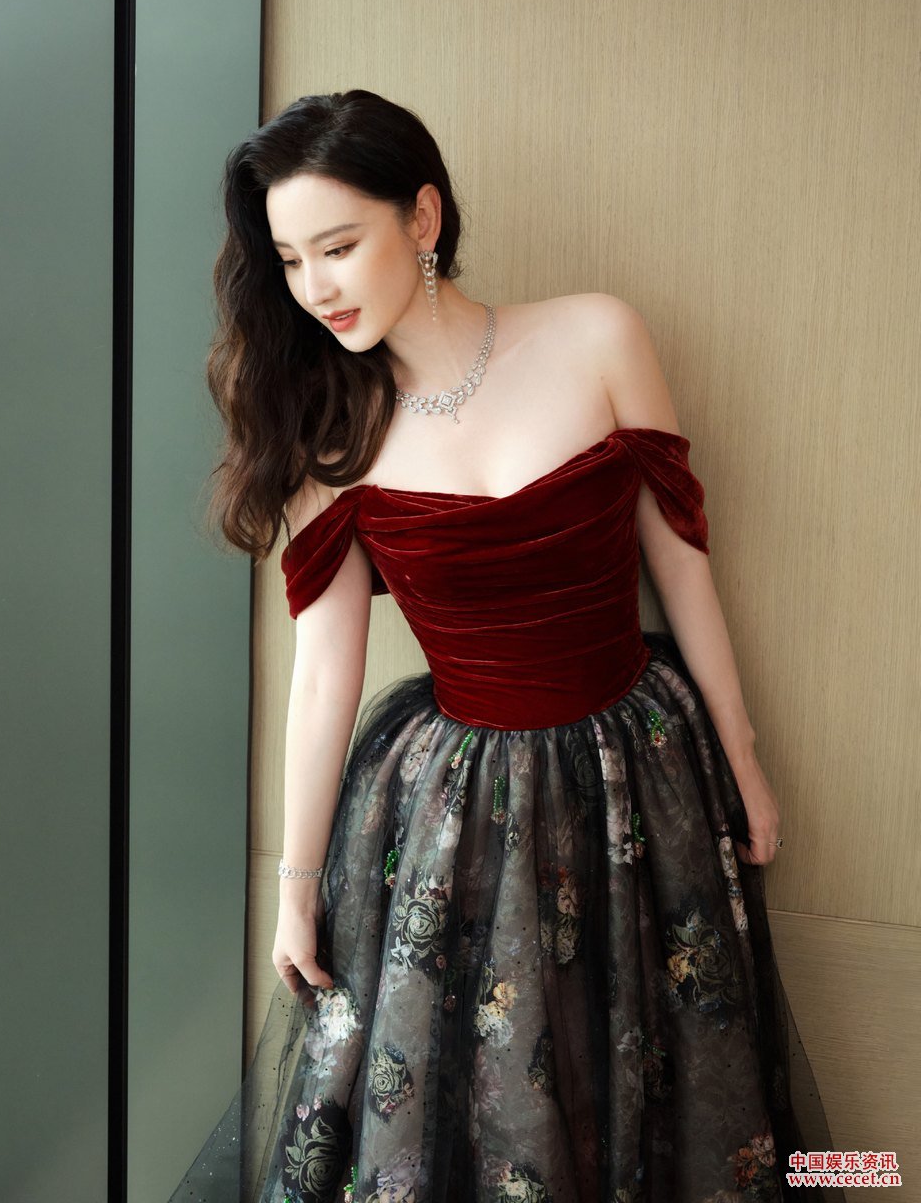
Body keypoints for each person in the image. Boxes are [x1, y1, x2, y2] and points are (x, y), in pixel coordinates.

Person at [167, 89, 832, 1203]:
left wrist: (746, 758)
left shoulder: (599, 335)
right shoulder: (328, 431)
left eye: (339, 246)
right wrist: (296, 886)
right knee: (483, 1114)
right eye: (289, 261)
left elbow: (680, 561)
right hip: (457, 811)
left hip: (639, 778)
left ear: (423, 217)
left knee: (679, 1096)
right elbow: (323, 679)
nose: (315, 287)